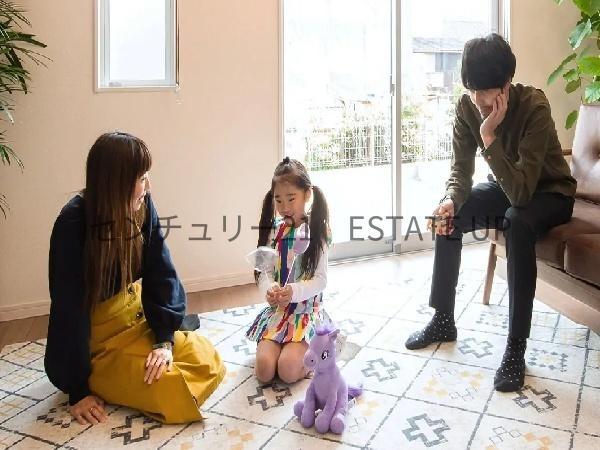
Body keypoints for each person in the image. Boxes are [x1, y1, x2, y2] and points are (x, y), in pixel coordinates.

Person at [404, 33, 576, 392]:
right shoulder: (467, 106)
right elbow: (460, 169)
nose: (478, 100)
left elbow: (522, 194)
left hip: (549, 193)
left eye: (485, 91)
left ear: (507, 83)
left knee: (517, 220)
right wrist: (451, 199)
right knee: (451, 217)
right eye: (472, 90)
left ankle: (516, 348)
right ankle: (443, 318)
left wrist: (488, 134)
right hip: (506, 187)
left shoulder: (534, 107)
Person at [45, 132, 225, 425]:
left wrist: (163, 341)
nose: (147, 186)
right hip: (99, 342)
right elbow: (68, 310)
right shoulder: (73, 223)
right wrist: (78, 389)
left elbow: (160, 270)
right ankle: (101, 378)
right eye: (141, 178)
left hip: (137, 315)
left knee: (206, 358)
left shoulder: (143, 206)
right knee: (169, 387)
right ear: (116, 183)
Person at [246, 157, 331, 384]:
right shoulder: (275, 231)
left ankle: (317, 348)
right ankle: (277, 345)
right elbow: (264, 272)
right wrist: (269, 288)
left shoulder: (317, 232)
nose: (284, 207)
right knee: (264, 371)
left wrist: (294, 291)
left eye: (291, 199)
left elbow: (321, 280)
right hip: (279, 312)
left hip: (305, 313)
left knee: (288, 371)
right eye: (278, 200)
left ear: (307, 194)